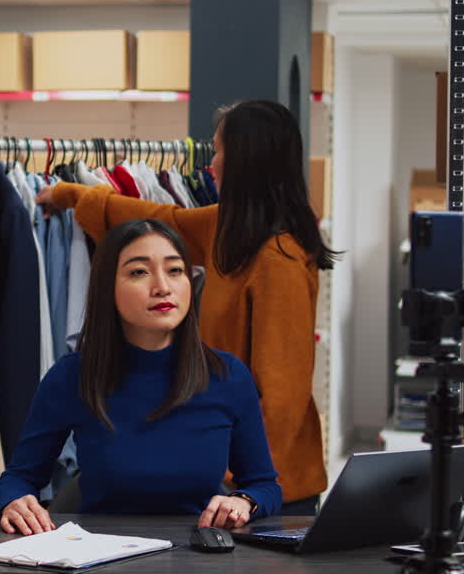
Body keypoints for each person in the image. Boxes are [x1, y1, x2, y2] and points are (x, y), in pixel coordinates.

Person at [36, 99, 337, 517]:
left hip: (268, 494)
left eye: (217, 150)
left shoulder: (278, 257)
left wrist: (236, 481)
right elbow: (160, 219)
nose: (211, 164)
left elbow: (282, 396)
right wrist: (72, 195)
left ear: (245, 158)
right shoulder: (228, 229)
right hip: (223, 486)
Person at [0, 218, 283, 574]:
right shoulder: (72, 376)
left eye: (175, 270)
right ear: (108, 289)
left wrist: (243, 501)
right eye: (139, 271)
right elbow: (19, 477)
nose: (162, 286)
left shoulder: (228, 376)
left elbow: (264, 484)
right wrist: (13, 500)